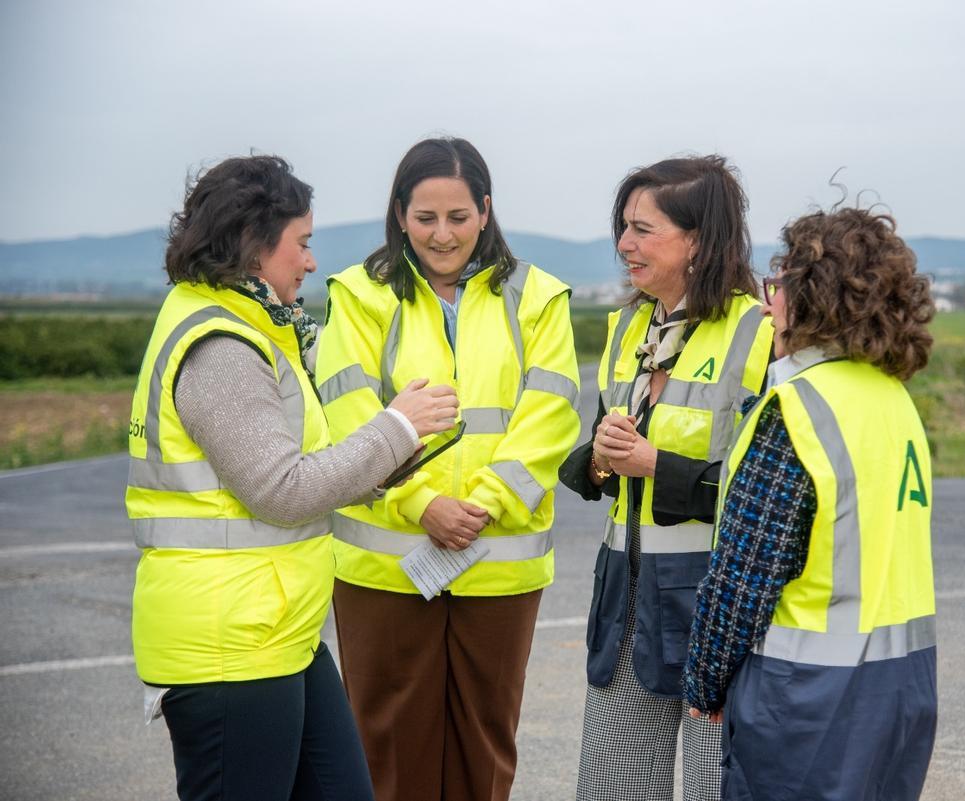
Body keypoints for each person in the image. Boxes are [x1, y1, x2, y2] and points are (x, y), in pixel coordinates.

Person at [127, 154, 460, 801]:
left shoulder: (256, 324)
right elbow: (280, 489)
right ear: (254, 244)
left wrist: (392, 457)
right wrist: (394, 427)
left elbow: (303, 469)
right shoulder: (220, 345)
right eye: (302, 243)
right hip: (231, 649)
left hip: (280, 636)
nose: (311, 261)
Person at [313, 137, 580, 801]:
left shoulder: (539, 298)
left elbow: (551, 415)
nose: (442, 234)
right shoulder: (359, 296)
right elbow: (348, 415)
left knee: (483, 749)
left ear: (486, 211)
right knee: (387, 750)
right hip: (386, 566)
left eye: (458, 217)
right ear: (399, 214)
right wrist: (420, 503)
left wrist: (485, 503)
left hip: (498, 562)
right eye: (425, 217)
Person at [681, 206, 938, 801]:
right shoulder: (896, 404)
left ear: (807, 296)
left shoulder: (796, 411)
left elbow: (742, 581)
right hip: (903, 694)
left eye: (778, 286)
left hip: (805, 705)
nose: (769, 303)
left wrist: (704, 685)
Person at [558, 155, 775, 801]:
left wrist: (655, 465)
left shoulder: (757, 332)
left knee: (720, 787)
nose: (624, 244)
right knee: (611, 787)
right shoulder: (628, 326)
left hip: (719, 607)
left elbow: (766, 496)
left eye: (642, 229)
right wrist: (600, 456)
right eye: (623, 227)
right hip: (627, 603)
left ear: (699, 240)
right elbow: (598, 463)